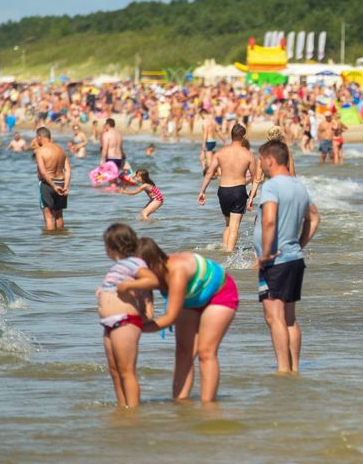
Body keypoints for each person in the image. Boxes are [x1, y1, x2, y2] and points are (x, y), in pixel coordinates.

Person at [124, 237, 239, 402]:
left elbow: (170, 318)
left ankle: (208, 406)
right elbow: (147, 309)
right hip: (190, 300)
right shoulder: (145, 274)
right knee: (183, 352)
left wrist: (139, 327)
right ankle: (180, 403)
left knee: (206, 352)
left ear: (153, 264)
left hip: (219, 294)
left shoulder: (177, 271)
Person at [254, 140, 319, 374]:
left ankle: (283, 369)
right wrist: (299, 244)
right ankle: (294, 368)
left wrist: (266, 252)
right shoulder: (299, 185)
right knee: (289, 317)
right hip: (294, 258)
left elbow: (269, 219)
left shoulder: (272, 186)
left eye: (260, 159)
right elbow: (314, 218)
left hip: (276, 260)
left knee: (274, 316)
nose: (259, 164)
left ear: (270, 159)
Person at [96, 223, 155, 407]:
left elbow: (151, 280)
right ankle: (123, 408)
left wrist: (127, 286)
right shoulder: (117, 267)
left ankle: (133, 412)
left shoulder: (134, 263)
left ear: (112, 246)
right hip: (109, 323)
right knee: (114, 370)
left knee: (126, 370)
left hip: (125, 321)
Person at [197, 123, 258, 253]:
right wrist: (252, 196)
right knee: (234, 227)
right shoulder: (248, 155)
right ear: (244, 137)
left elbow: (209, 173)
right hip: (238, 191)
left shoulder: (220, 153)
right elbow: (255, 178)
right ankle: (229, 255)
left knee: (228, 224)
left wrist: (202, 191)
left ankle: (224, 249)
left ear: (231, 136)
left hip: (223, 191)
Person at [33, 127, 71, 231]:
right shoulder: (61, 150)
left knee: (49, 216)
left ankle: (50, 244)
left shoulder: (40, 151)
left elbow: (43, 172)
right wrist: (66, 187)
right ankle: (60, 240)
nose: (36, 140)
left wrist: (53, 186)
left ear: (40, 137)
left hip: (48, 184)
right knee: (59, 215)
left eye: (36, 138)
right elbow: (67, 170)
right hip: (61, 182)